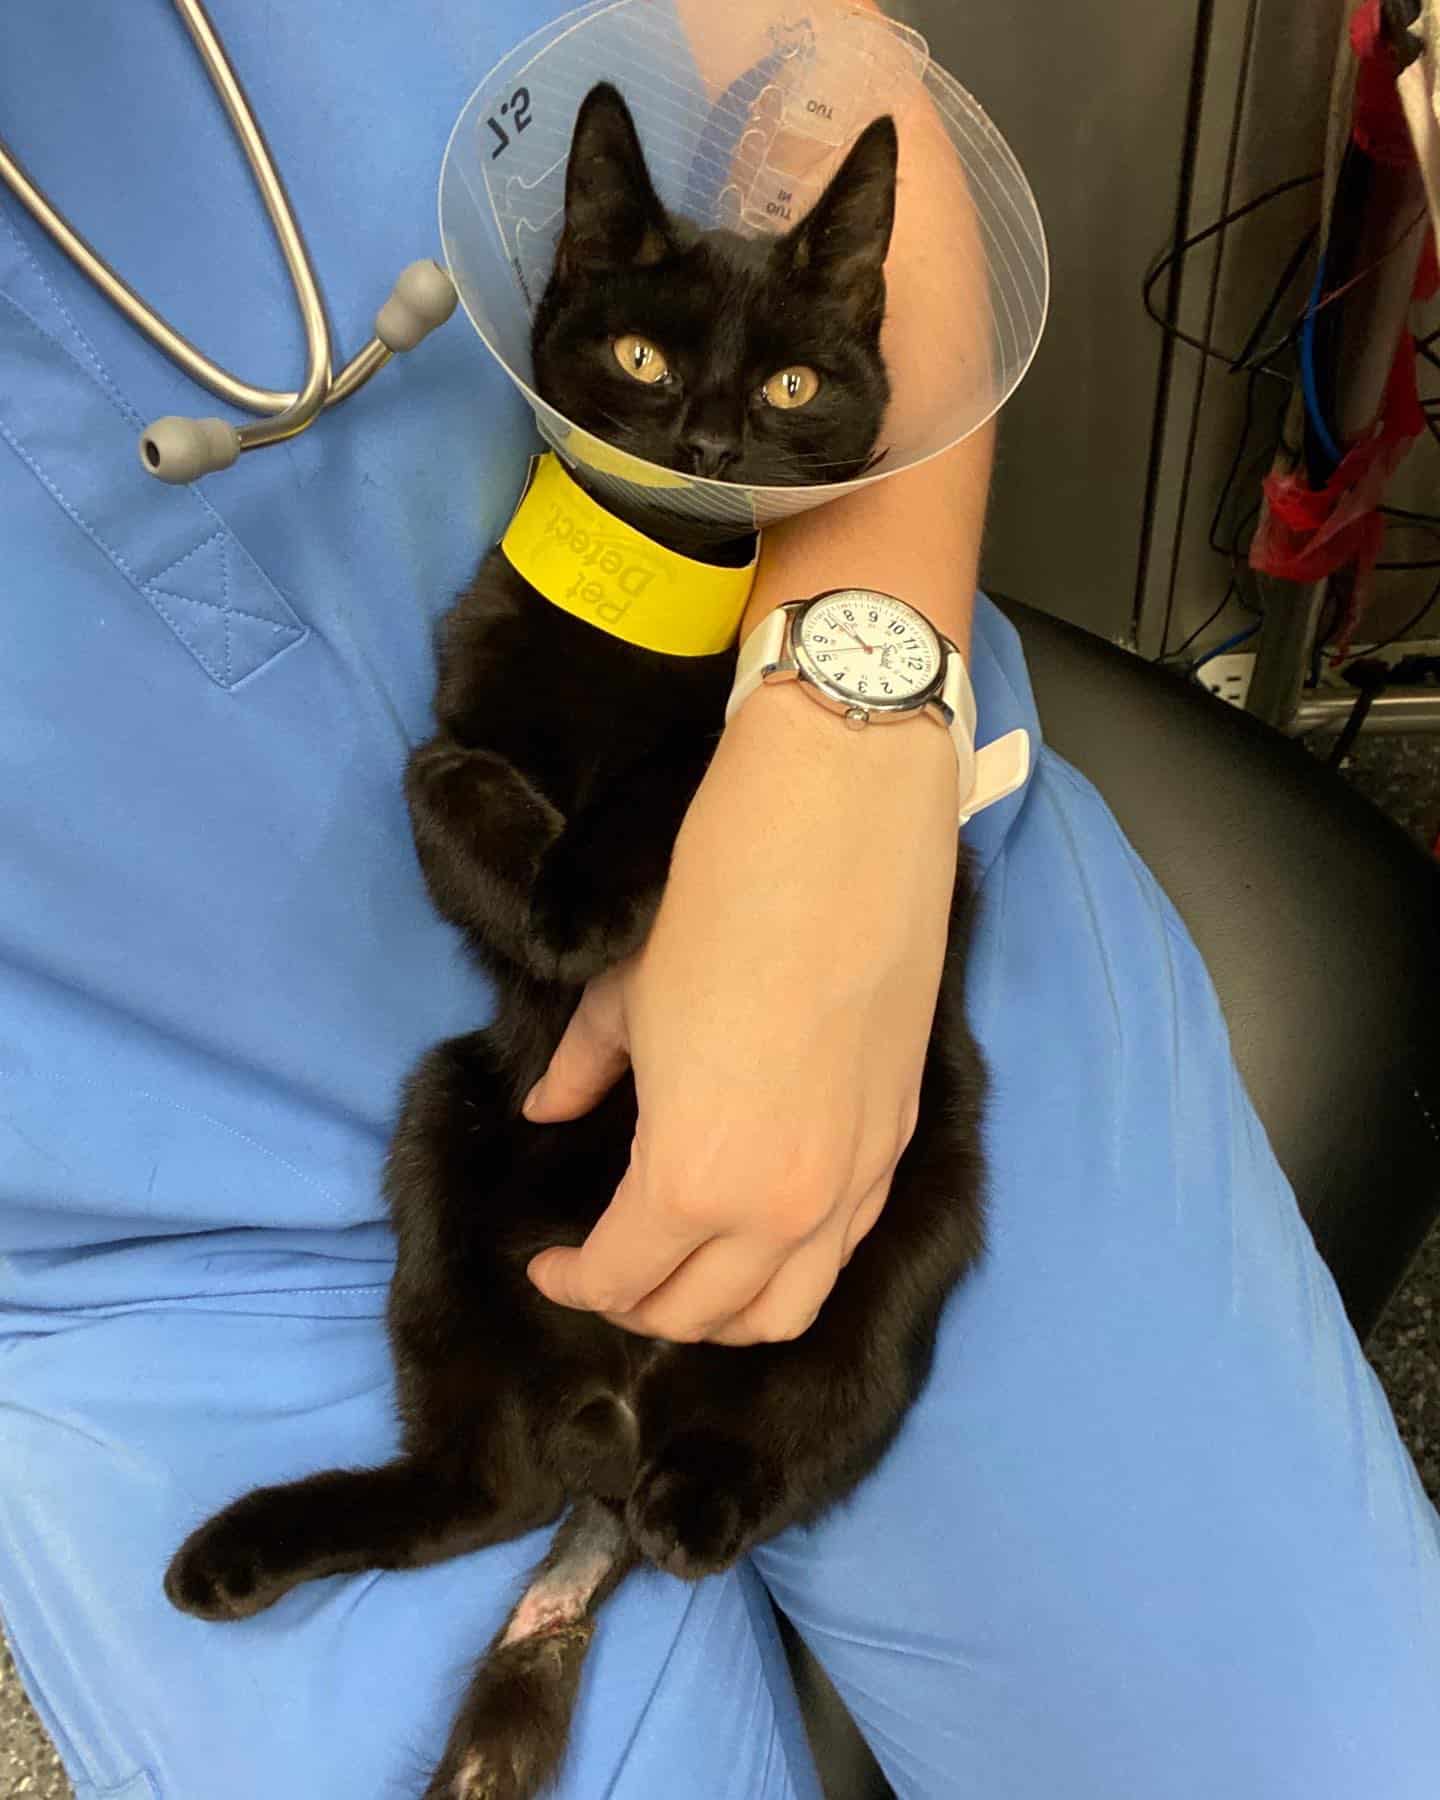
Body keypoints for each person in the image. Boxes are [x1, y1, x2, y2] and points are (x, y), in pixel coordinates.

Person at [2, 5, 1437, 1798]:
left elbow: (848, 80)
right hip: (172, 1197)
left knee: (1319, 1763)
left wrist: (851, 725)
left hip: (868, 881)